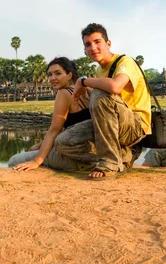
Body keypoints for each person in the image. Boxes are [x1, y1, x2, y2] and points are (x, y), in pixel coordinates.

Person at [54, 23, 152, 178]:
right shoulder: (99, 70)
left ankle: (109, 163)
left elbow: (115, 87)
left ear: (108, 43)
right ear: (85, 50)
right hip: (111, 123)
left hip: (134, 126)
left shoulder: (125, 61)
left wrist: (84, 81)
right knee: (61, 143)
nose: (93, 48)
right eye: (88, 44)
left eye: (97, 42)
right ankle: (121, 156)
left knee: (101, 91)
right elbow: (101, 102)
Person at [8, 57, 93, 172]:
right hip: (90, 154)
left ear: (69, 75)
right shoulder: (86, 91)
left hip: (77, 160)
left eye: (58, 73)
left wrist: (36, 161)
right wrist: (40, 144)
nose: (52, 78)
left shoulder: (64, 93)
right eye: (50, 74)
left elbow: (54, 130)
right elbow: (72, 128)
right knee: (34, 148)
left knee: (15, 160)